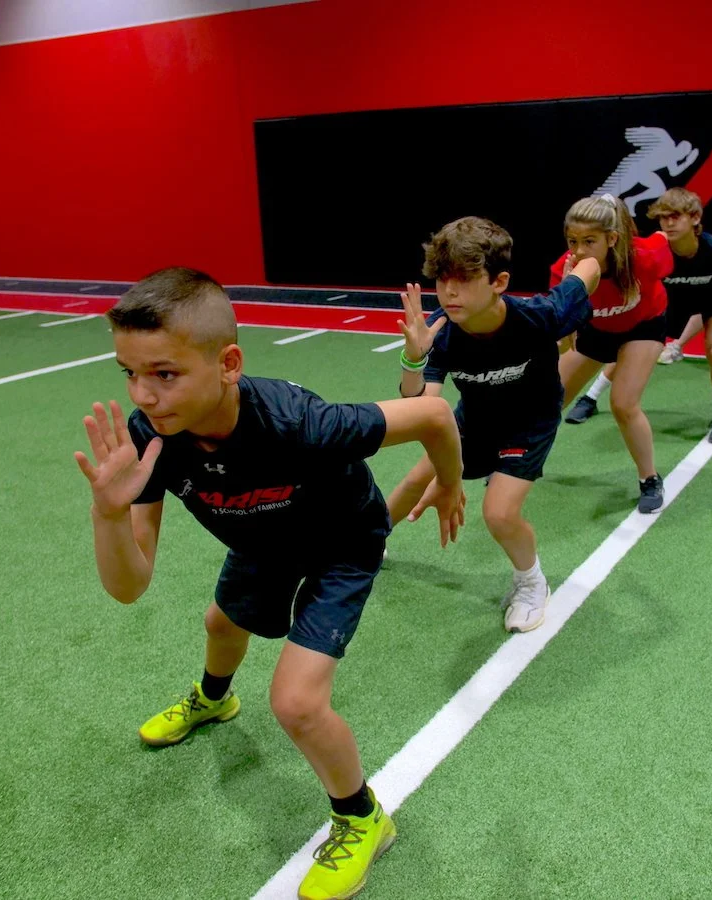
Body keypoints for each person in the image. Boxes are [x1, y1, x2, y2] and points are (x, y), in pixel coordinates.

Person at [72, 267, 463, 900]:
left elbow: (434, 413)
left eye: (164, 374)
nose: (143, 395)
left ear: (228, 363)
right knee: (220, 624)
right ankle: (215, 697)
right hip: (261, 538)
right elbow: (129, 585)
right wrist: (108, 514)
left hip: (342, 544)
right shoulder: (151, 439)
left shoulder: (301, 423)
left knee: (297, 704)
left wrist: (446, 481)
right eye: (129, 373)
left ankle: (363, 817)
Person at [385, 217, 601, 633]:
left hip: (530, 423)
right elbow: (425, 408)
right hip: (475, 419)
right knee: (417, 476)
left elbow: (585, 275)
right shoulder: (442, 332)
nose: (450, 292)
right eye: (443, 279)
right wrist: (413, 358)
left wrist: (585, 260)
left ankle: (531, 584)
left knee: (499, 512)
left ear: (499, 282)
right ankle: (369, 541)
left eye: (465, 279)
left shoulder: (542, 316)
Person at [555, 194, 673, 514]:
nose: (579, 251)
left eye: (589, 241)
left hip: (643, 326)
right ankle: (520, 462)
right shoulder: (565, 271)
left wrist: (666, 234)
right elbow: (563, 342)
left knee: (622, 403)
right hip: (596, 330)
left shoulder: (645, 258)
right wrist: (568, 293)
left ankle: (649, 478)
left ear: (612, 238)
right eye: (573, 241)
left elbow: (663, 242)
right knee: (549, 398)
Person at [647, 187, 712, 443]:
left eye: (675, 216)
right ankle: (591, 396)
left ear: (694, 218)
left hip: (710, 300)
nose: (668, 223)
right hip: (672, 303)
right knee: (631, 348)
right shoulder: (656, 250)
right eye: (663, 217)